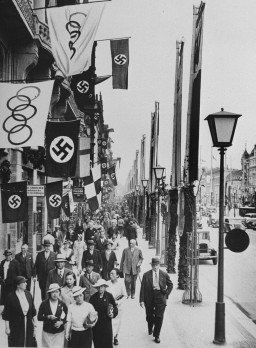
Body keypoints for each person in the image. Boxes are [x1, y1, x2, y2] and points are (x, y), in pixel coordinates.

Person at [139, 257, 173, 344]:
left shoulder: (164, 274)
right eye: (153, 265)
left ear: (159, 265)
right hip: (149, 297)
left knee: (159, 317)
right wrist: (141, 300)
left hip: (160, 297)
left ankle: (156, 335)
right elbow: (142, 288)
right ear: (151, 265)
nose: (155, 267)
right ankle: (150, 326)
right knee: (149, 316)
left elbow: (170, 285)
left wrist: (166, 292)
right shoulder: (146, 275)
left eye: (156, 265)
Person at [3, 276, 37, 347]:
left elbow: (33, 311)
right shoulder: (10, 297)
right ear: (18, 285)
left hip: (28, 325)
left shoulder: (28, 294)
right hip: (15, 325)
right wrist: (7, 328)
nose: (26, 284)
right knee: (17, 343)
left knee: (29, 343)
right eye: (24, 282)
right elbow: (6, 314)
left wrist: (35, 327)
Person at [90, 279, 118, 348]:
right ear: (96, 288)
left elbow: (115, 307)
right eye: (98, 287)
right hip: (96, 326)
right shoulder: (93, 298)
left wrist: (113, 313)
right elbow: (89, 311)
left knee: (107, 344)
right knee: (98, 343)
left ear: (105, 287)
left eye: (102, 287)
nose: (100, 289)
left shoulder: (109, 296)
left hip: (107, 325)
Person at [38, 283, 68, 348]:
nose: (55, 294)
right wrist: (48, 317)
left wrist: (61, 322)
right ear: (49, 293)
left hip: (59, 333)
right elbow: (39, 317)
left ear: (59, 293)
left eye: (57, 292)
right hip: (47, 332)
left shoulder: (62, 304)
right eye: (53, 292)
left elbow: (67, 316)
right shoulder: (44, 303)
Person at [107, 268, 127, 346]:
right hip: (109, 307)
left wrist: (118, 302)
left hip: (118, 307)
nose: (110, 275)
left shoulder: (121, 284)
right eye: (110, 273)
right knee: (110, 323)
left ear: (117, 275)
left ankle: (115, 337)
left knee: (117, 323)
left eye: (113, 274)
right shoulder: (107, 283)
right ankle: (110, 339)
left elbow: (125, 295)